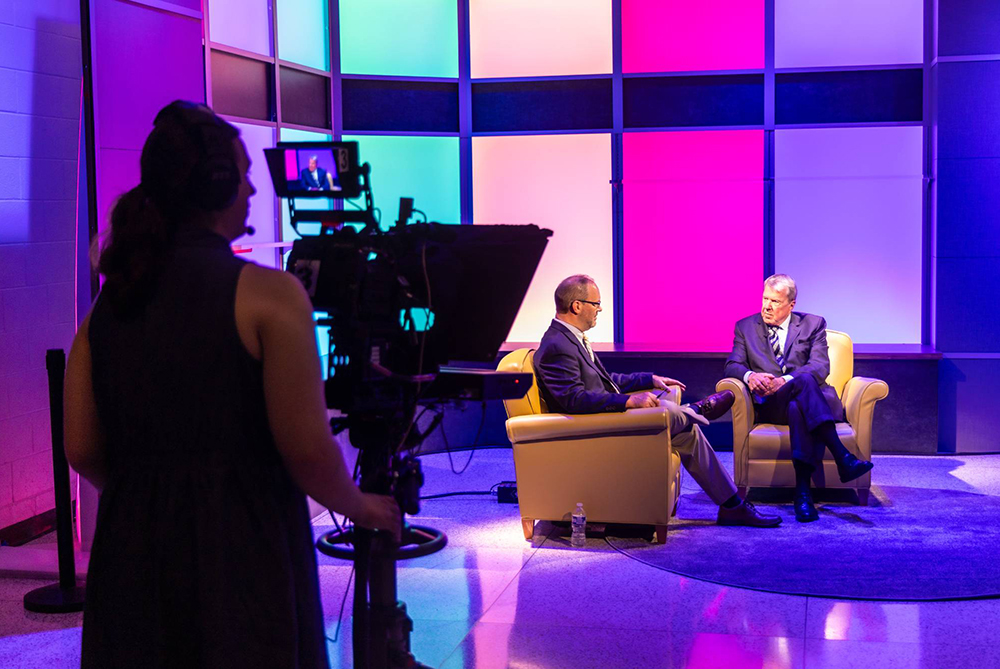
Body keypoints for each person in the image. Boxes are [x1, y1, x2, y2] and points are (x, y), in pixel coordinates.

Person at [64, 100, 399, 668]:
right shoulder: (271, 295)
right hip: (240, 550)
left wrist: (148, 495)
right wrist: (364, 507)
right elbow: (307, 449)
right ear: (216, 184)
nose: (250, 189)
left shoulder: (104, 305)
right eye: (243, 175)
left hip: (129, 554)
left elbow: (82, 447)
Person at [533, 275, 781, 528]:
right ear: (577, 306)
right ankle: (695, 409)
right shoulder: (556, 345)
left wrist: (649, 379)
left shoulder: (570, 338)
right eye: (596, 304)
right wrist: (627, 403)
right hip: (593, 430)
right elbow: (574, 400)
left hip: (601, 420)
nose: (600, 309)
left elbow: (606, 380)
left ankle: (732, 507)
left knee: (687, 433)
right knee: (669, 413)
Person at [725, 274, 873, 523]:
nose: (767, 306)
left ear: (791, 304)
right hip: (772, 403)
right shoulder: (745, 327)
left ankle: (802, 493)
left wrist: (786, 380)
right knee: (795, 394)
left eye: (775, 301)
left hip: (811, 401)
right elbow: (732, 366)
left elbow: (819, 367)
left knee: (799, 399)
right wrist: (750, 376)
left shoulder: (813, 324)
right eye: (764, 299)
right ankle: (843, 457)